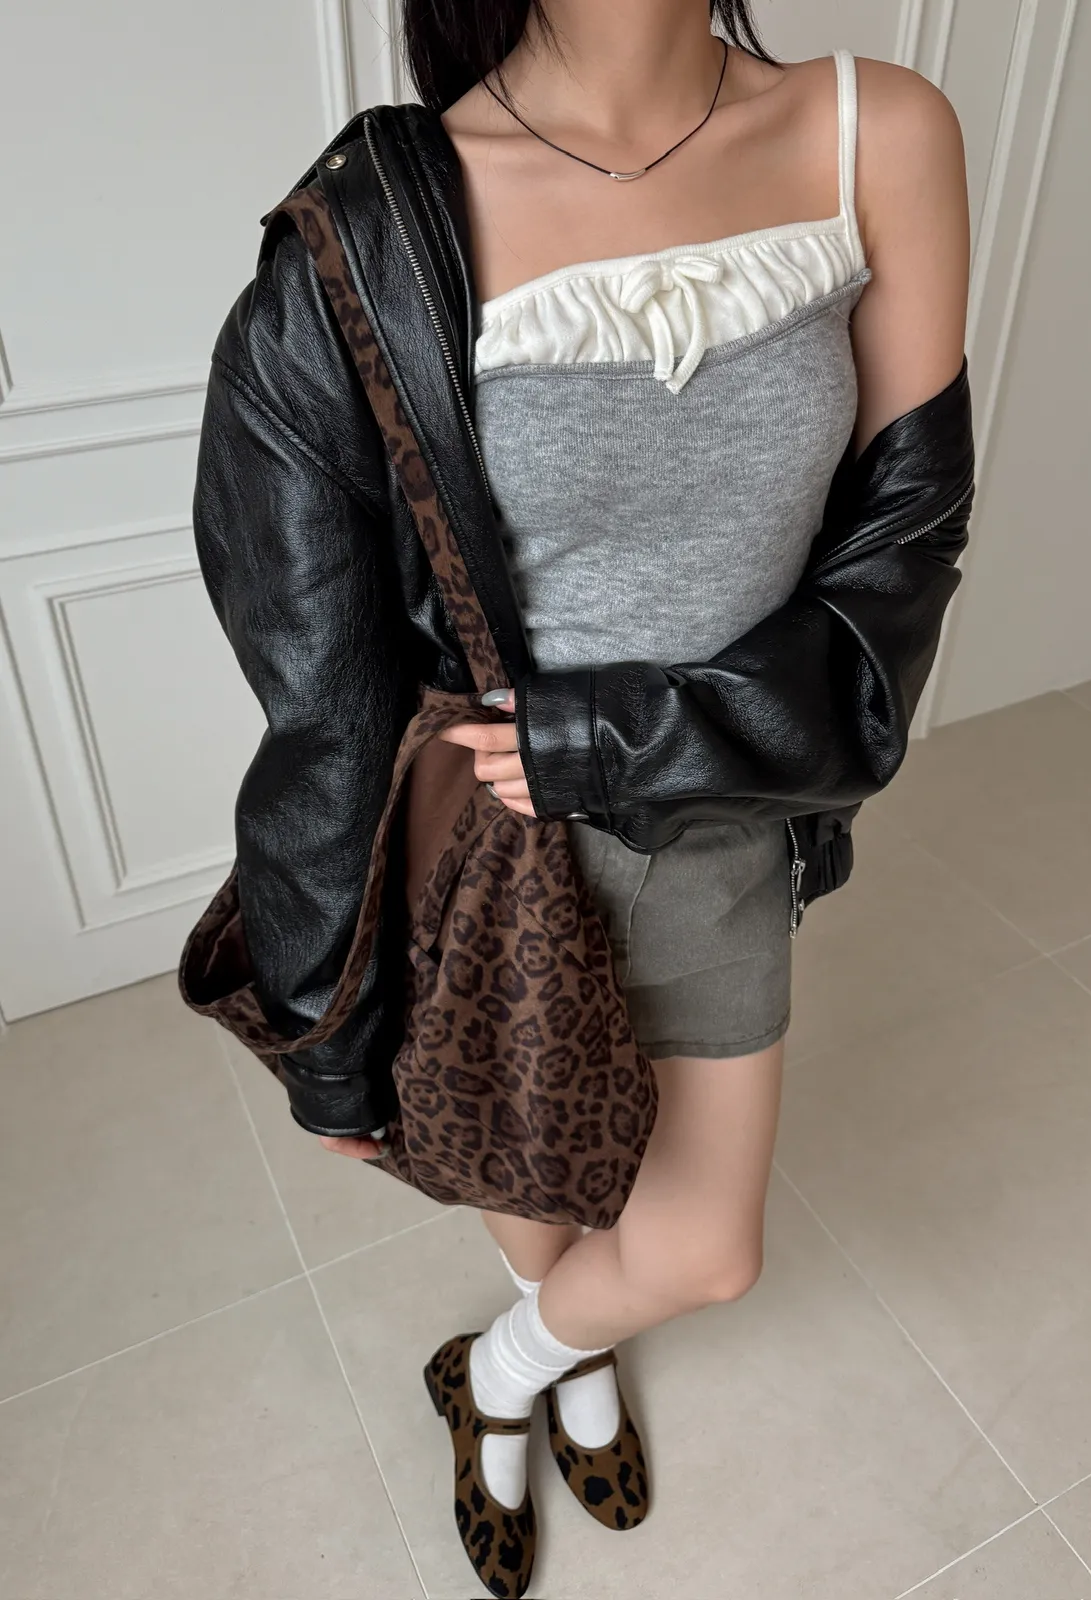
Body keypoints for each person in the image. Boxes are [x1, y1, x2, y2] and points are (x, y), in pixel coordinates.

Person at [189, 3, 971, 1595]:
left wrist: (636, 738)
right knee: (538, 1191)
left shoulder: (874, 132)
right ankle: (570, 1348)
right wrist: (326, 1023)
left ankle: (497, 1373)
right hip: (481, 842)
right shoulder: (369, 228)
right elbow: (318, 677)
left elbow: (905, 549)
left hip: (713, 808)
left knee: (700, 1248)